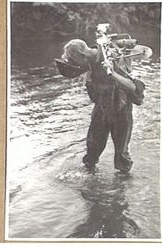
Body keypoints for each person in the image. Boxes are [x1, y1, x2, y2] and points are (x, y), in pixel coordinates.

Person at [62, 39, 150, 173]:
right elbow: (73, 71)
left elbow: (132, 87)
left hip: (120, 106)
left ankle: (122, 188)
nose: (76, 65)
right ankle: (90, 180)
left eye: (74, 61)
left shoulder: (110, 57)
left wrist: (112, 73)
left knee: (122, 155)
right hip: (102, 106)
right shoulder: (89, 59)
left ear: (81, 55)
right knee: (92, 151)